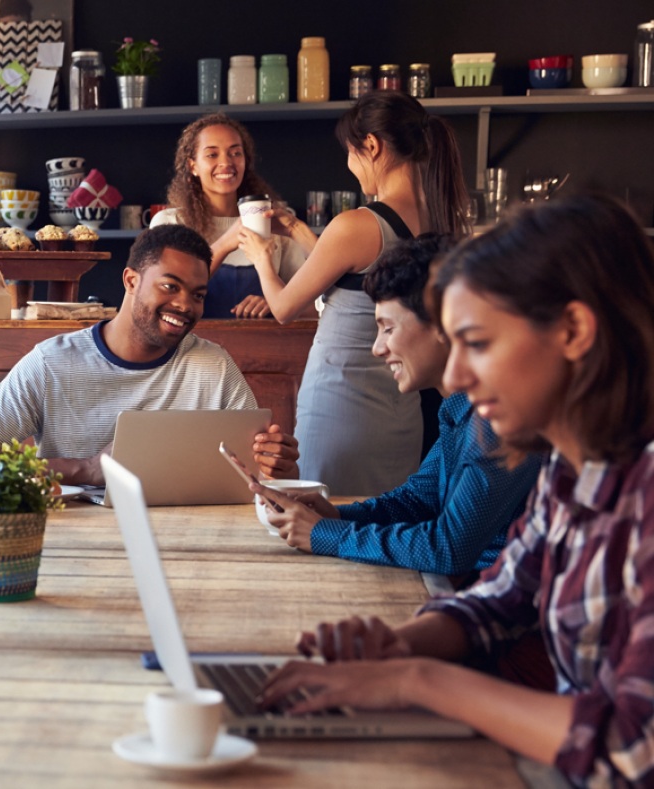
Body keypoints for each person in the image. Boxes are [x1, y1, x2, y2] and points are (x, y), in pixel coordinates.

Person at [258, 194, 654, 787]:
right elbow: (496, 599)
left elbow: (632, 749)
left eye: (481, 343)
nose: (461, 378)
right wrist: (395, 646)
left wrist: (417, 680)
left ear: (573, 330)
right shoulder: (572, 471)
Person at [260, 234, 540, 577]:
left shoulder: (499, 417)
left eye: (387, 328)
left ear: (443, 324)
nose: (377, 348)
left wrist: (323, 534)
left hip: (500, 607)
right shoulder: (459, 407)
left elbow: (448, 548)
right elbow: (417, 500)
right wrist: (335, 516)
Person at [239, 91, 470, 496]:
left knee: (328, 524)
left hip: (341, 406)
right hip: (401, 414)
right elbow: (361, 278)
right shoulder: (439, 219)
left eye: (350, 152)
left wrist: (261, 255)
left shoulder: (357, 224)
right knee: (386, 525)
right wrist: (296, 230)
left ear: (372, 146)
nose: (349, 166)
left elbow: (283, 307)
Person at [0, 224, 299, 487]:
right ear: (131, 280)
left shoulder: (213, 366)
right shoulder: (51, 363)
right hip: (71, 546)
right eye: (170, 286)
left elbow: (262, 474)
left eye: (197, 294)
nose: (185, 305)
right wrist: (87, 468)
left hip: (188, 541)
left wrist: (280, 464)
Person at [150, 113, 315, 319]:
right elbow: (159, 298)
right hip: (190, 348)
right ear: (193, 166)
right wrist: (227, 241)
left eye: (235, 153)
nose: (226, 162)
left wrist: (275, 304)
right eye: (212, 154)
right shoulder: (169, 223)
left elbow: (315, 305)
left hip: (264, 347)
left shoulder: (275, 221)